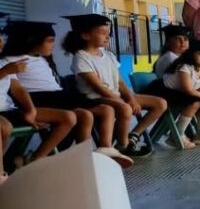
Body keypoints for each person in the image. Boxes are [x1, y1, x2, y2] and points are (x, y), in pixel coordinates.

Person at [0, 20, 128, 165]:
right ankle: (42, 159)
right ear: (32, 40)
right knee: (89, 112)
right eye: (50, 41)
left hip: (56, 96)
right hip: (41, 99)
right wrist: (30, 109)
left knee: (92, 113)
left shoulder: (41, 58)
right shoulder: (10, 61)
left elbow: (20, 88)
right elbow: (18, 90)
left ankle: (85, 156)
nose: (53, 45)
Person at [64, 14, 167, 159]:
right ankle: (123, 146)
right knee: (125, 108)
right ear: (86, 35)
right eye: (102, 32)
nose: (108, 37)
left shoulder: (108, 55)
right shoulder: (81, 57)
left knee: (160, 103)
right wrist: (121, 101)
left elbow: (120, 82)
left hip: (114, 95)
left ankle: (134, 135)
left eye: (108, 33)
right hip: (95, 99)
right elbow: (98, 87)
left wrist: (131, 98)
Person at [153, 39, 200, 148]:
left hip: (179, 92)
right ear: (191, 54)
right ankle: (176, 136)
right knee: (194, 102)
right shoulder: (185, 67)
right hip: (163, 91)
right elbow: (189, 90)